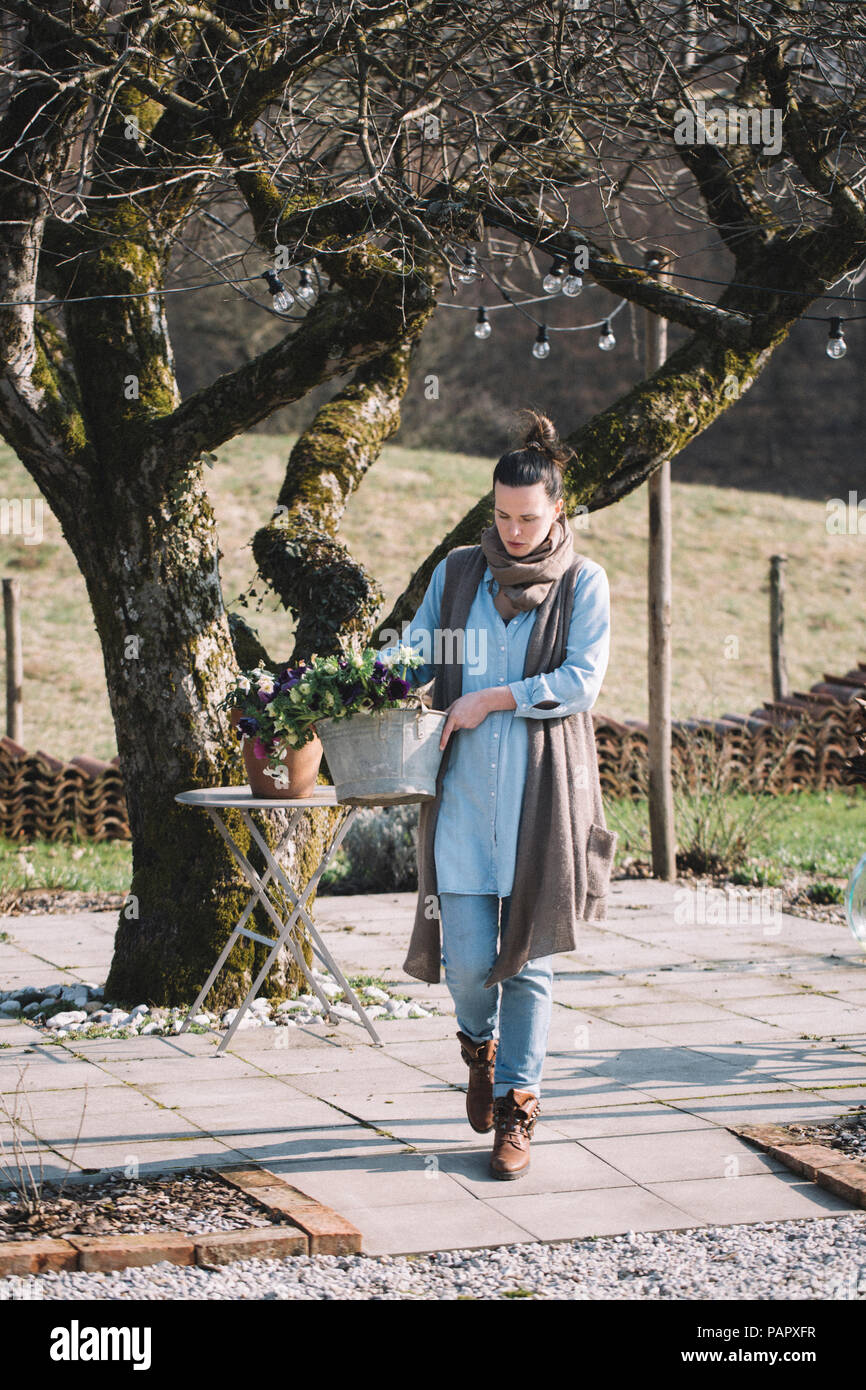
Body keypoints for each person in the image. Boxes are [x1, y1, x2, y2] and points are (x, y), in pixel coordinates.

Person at [377, 408, 614, 1178]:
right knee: (470, 961)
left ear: (557, 512)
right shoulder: (457, 574)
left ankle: (518, 1108)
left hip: (542, 801)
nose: (512, 531)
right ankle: (476, 1047)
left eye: (528, 517)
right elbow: (416, 652)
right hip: (463, 803)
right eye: (502, 516)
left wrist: (490, 698)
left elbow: (581, 681)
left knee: (532, 961)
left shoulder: (584, 583)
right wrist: (388, 685)